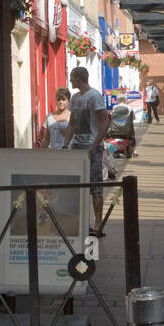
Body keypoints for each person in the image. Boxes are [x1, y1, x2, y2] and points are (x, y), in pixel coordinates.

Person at [61, 66, 110, 234]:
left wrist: (95, 144)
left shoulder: (95, 96)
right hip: (77, 146)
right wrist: (66, 144)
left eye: (72, 77)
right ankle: (82, 221)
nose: (70, 81)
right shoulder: (74, 98)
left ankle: (97, 223)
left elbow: (104, 122)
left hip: (91, 146)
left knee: (95, 185)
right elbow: (72, 123)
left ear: (80, 79)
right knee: (78, 185)